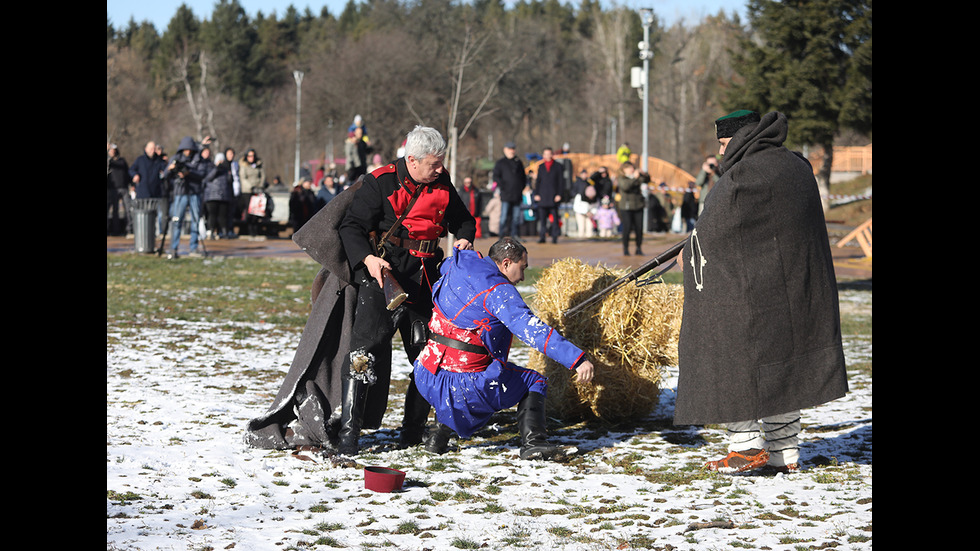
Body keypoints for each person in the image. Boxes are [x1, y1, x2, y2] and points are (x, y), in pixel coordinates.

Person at [674, 110, 848, 474]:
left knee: (732, 358)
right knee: (782, 367)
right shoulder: (797, 167)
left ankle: (745, 447)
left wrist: (689, 253)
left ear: (740, 137)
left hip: (750, 294)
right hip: (794, 291)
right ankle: (785, 451)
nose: (723, 153)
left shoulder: (742, 176)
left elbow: (712, 236)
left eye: (724, 144)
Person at [413, 237, 595, 459]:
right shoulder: (498, 290)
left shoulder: (459, 264)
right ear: (506, 263)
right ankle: (534, 444)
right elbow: (532, 329)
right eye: (522, 268)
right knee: (534, 381)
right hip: (463, 387)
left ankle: (436, 440)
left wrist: (465, 251)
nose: (523, 277)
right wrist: (576, 359)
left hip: (425, 374)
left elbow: (443, 264)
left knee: (460, 371)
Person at [163, 135, 211, 258]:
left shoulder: (198, 159)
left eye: (189, 149)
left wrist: (189, 173)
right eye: (185, 149)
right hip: (180, 192)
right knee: (177, 220)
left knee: (195, 220)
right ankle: (173, 248)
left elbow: (202, 174)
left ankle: (193, 248)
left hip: (194, 192)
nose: (187, 151)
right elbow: (165, 175)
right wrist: (170, 169)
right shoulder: (176, 158)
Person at [128, 141, 169, 235]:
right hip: (142, 193)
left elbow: (166, 171)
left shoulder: (159, 160)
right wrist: (135, 175)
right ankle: (141, 235)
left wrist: (165, 161)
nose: (152, 150)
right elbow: (131, 170)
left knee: (154, 216)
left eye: (154, 148)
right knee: (142, 216)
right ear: (146, 149)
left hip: (155, 193)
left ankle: (152, 236)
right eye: (151, 148)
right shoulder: (140, 160)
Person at [492, 141, 526, 238]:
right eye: (509, 149)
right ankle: (501, 235)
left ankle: (515, 234)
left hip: (517, 194)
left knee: (516, 217)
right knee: (504, 216)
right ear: (505, 150)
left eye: (513, 149)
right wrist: (503, 187)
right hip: (506, 194)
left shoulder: (518, 162)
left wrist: (521, 188)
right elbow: (496, 177)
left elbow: (523, 177)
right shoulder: (500, 163)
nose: (512, 151)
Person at [616, 161, 650, 255]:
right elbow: (626, 187)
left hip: (638, 206)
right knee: (627, 229)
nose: (632, 170)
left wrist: (644, 173)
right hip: (626, 207)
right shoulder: (622, 178)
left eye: (632, 168)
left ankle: (638, 248)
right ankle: (626, 249)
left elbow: (647, 180)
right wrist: (635, 177)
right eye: (629, 168)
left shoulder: (637, 177)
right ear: (624, 169)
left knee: (639, 229)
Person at [533, 147, 564, 243]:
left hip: (553, 197)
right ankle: (542, 236)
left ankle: (555, 237)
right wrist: (536, 194)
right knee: (542, 220)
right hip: (542, 196)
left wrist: (559, 194)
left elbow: (561, 182)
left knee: (554, 219)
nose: (547, 156)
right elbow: (538, 182)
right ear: (543, 155)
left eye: (548, 154)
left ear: (552, 154)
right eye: (545, 154)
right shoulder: (541, 166)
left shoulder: (558, 166)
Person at [203, 150, 236, 240]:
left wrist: (228, 172)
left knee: (223, 215)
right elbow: (207, 178)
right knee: (212, 215)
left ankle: (224, 232)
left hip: (223, 196)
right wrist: (217, 168)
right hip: (212, 196)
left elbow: (230, 181)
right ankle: (211, 231)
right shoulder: (211, 167)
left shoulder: (226, 170)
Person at [107, 144, 129, 235]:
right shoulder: (109, 162)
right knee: (115, 211)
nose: (113, 152)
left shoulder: (122, 161)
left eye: (114, 150)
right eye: (111, 151)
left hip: (123, 188)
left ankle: (129, 229)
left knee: (128, 209)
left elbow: (126, 171)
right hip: (113, 189)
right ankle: (115, 231)